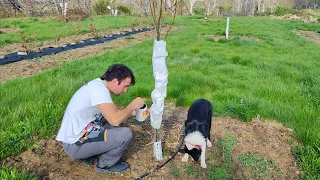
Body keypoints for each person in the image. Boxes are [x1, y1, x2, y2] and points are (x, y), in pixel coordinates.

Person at [56, 64, 149, 174]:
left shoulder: (98, 86)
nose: (125, 90)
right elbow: (115, 119)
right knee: (124, 135)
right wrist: (132, 105)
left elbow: (115, 113)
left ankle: (87, 154)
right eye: (125, 86)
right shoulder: (99, 91)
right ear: (115, 81)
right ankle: (105, 165)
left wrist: (135, 113)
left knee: (112, 127)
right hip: (75, 144)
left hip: (79, 136)